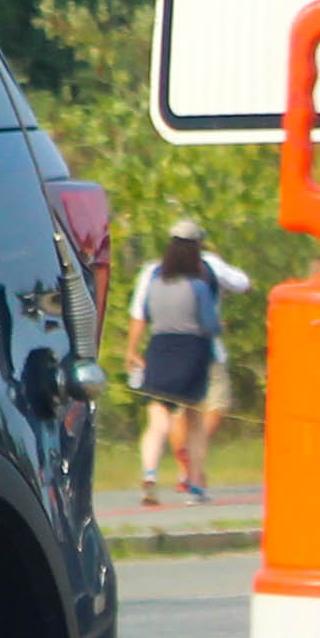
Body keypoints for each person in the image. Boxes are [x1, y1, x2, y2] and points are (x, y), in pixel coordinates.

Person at [123, 216, 253, 505]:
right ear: (198, 246)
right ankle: (194, 485)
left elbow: (142, 312)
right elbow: (210, 324)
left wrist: (133, 349)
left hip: (159, 348)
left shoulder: (153, 275)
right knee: (194, 421)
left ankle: (150, 474)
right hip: (193, 351)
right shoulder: (200, 282)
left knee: (157, 421)